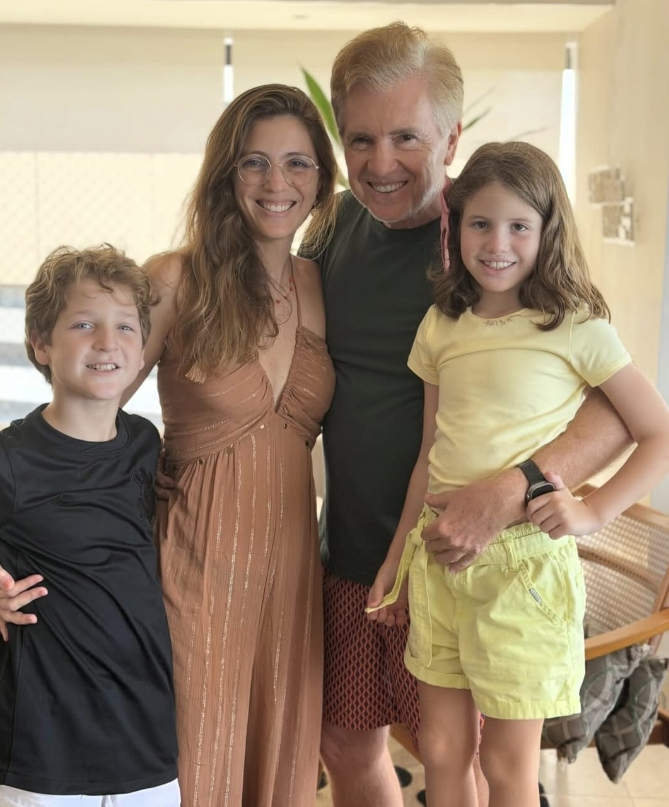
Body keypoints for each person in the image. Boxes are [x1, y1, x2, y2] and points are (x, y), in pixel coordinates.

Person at [299, 22, 632, 807]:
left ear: (450, 139)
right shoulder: (333, 228)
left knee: (462, 759)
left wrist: (516, 486)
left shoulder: (497, 240)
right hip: (356, 551)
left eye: (406, 137)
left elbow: (616, 413)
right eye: (360, 138)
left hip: (473, 564)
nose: (381, 162)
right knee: (347, 745)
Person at [0, 86, 338, 807]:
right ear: (225, 173)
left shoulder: (319, 283)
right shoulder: (176, 278)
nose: (276, 182)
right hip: (194, 567)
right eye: (253, 162)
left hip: (291, 573)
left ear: (320, 178)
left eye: (296, 163)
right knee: (193, 769)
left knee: (277, 770)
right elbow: (85, 414)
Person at [367, 140, 669, 807]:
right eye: (480, 223)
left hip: (524, 570)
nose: (496, 243)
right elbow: (428, 453)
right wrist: (397, 560)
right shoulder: (441, 325)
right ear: (455, 227)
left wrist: (591, 512)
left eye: (518, 226)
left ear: (546, 231)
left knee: (506, 764)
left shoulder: (574, 326)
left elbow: (657, 432)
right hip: (438, 557)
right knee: (441, 750)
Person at [0, 245, 179, 806]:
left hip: (145, 742)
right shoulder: (11, 459)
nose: (107, 342)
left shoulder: (145, 444)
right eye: (83, 324)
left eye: (125, 326)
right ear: (41, 344)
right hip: (44, 752)